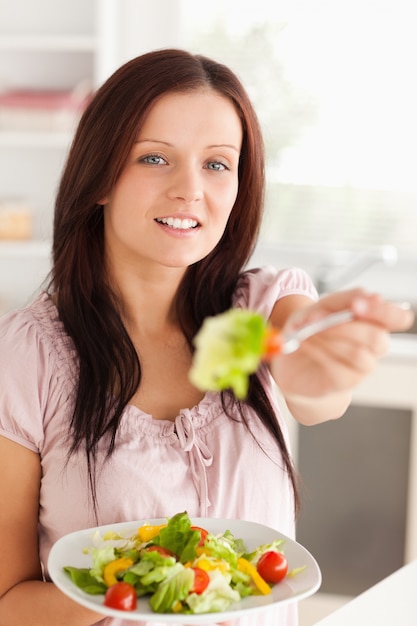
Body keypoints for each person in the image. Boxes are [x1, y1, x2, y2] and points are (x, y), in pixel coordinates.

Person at [0, 48, 413, 626]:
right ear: (99, 178)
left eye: (218, 164)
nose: (189, 189)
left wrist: (317, 367)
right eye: (154, 158)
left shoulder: (264, 307)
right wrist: (134, 584)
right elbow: (7, 603)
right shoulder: (25, 355)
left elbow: (315, 388)